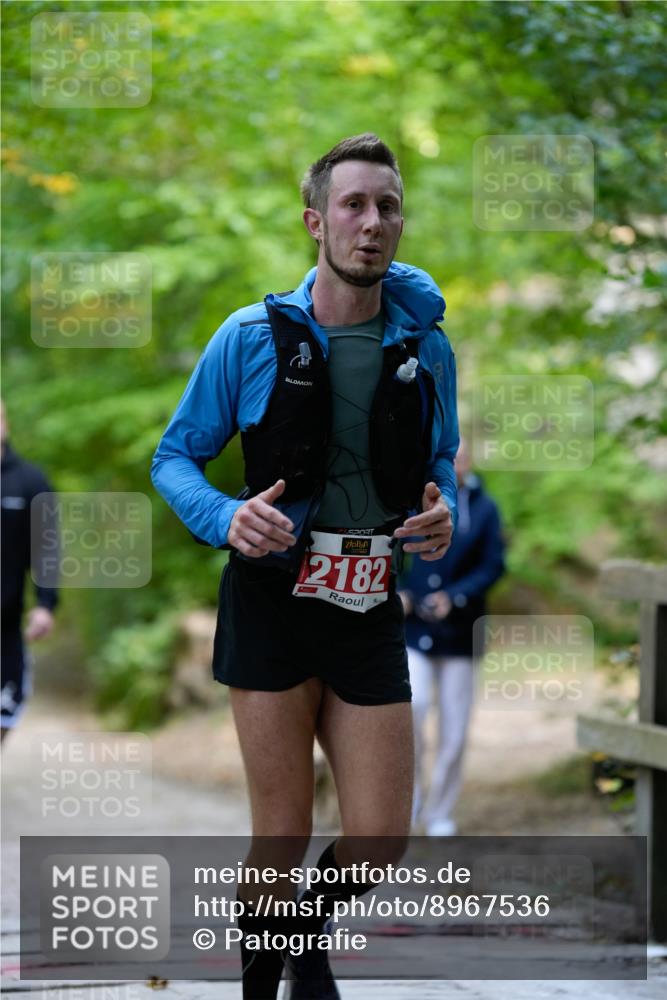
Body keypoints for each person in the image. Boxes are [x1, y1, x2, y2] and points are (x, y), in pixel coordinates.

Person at [151, 133, 459, 999]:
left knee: (378, 840)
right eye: (354, 205)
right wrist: (224, 515)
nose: (372, 223)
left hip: (367, 605)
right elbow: (175, 457)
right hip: (271, 604)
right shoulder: (249, 336)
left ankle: (306, 934)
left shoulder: (427, 348)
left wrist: (442, 516)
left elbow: (444, 467)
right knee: (279, 833)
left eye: (387, 206)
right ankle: (262, 986)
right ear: (314, 221)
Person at [399, 438, 505, 836]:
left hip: (463, 635)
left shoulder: (485, 508)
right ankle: (406, 804)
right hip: (415, 632)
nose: (458, 458)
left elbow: (494, 565)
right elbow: (395, 550)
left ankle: (440, 812)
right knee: (413, 708)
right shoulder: (415, 499)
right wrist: (403, 594)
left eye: (464, 453)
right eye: (452, 452)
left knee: (455, 728)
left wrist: (457, 597)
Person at [1, 399, 58, 743]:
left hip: (6, 626)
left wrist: (45, 604)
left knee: (6, 713)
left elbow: (47, 547)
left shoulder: (31, 481)